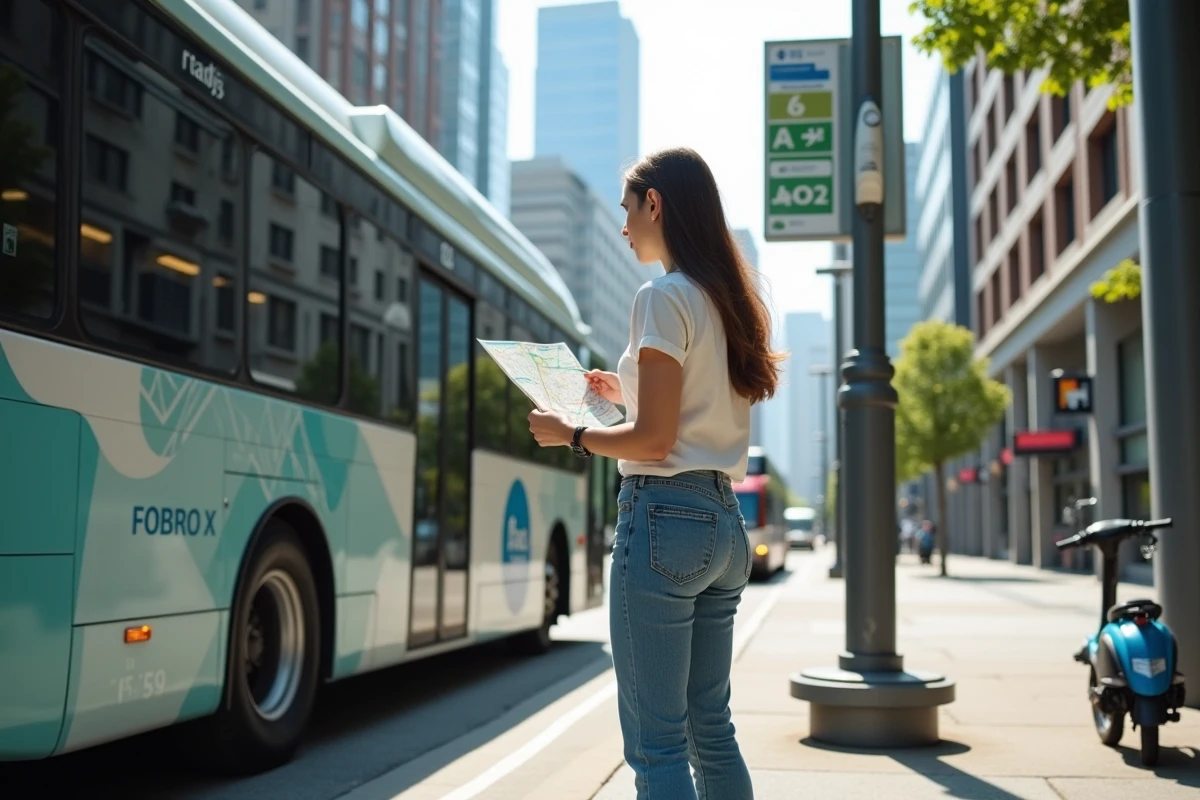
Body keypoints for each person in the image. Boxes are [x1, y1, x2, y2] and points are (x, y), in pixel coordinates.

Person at [528, 147, 784, 800]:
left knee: (656, 744)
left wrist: (573, 434)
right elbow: (691, 411)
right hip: (723, 524)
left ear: (656, 204)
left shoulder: (661, 296)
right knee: (710, 729)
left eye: (627, 210)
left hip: (664, 522)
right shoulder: (724, 301)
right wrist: (623, 389)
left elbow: (656, 438)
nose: (623, 228)